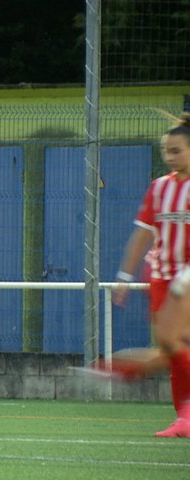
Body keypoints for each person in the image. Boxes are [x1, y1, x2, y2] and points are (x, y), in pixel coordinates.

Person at [132, 113, 190, 438]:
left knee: (173, 346)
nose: (169, 157)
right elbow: (145, 234)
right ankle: (184, 417)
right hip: (169, 279)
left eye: (176, 150)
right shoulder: (162, 189)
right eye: (166, 151)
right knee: (173, 347)